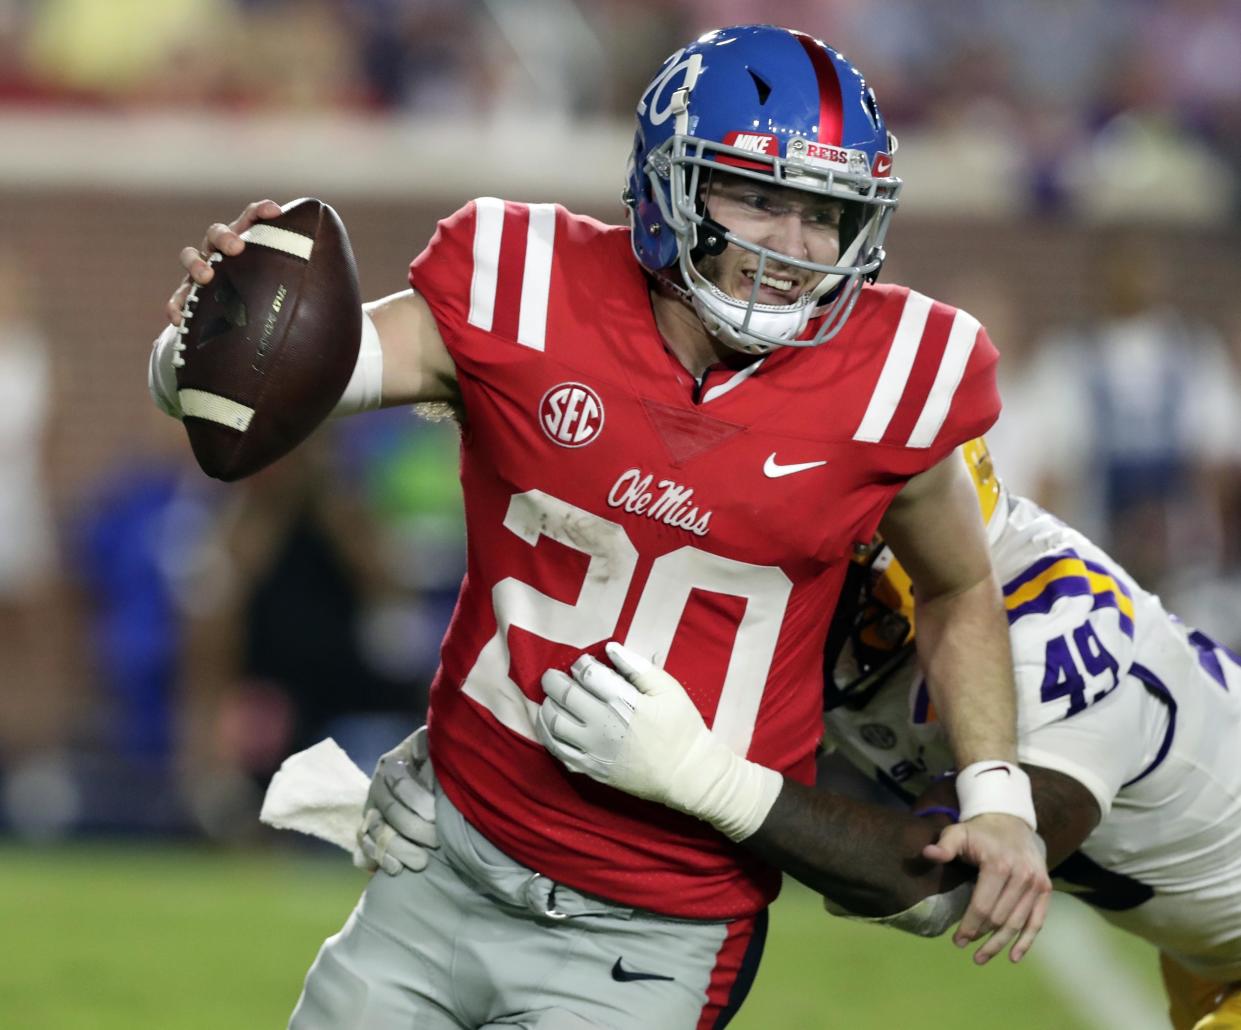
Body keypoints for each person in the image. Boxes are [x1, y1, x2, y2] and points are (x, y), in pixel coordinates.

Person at [151, 25, 1049, 1028]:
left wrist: (998, 793)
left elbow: (958, 583)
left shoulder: (899, 376)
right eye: (757, 196)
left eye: (824, 212)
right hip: (441, 866)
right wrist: (206, 337)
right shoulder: (522, 283)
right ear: (668, 182)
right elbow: (296, 375)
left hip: (654, 930)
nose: (792, 249)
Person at [483, 438, 1235, 1030]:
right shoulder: (890, 610)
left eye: (834, 567)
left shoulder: (1059, 633)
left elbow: (937, 883)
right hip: (1199, 948)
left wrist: (704, 777)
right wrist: (458, 767)